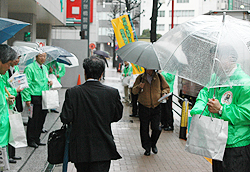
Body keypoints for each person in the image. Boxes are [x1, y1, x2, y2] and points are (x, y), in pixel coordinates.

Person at [190, 44, 250, 171]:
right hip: (216, 143)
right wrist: (199, 112)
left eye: (216, 59)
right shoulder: (215, 79)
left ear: (229, 59)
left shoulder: (245, 83)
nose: (213, 64)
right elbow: (203, 95)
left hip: (236, 146)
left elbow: (247, 114)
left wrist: (221, 109)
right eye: (212, 60)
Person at [60, 55, 123, 172]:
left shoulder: (73, 92)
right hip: (103, 147)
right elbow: (117, 116)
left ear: (85, 72)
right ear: (101, 73)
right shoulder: (112, 93)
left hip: (80, 147)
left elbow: (65, 117)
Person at [132, 69, 170, 156]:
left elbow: (166, 88)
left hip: (156, 106)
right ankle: (147, 147)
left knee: (157, 128)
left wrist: (164, 93)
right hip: (143, 106)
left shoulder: (159, 77)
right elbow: (134, 91)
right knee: (144, 129)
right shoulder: (140, 77)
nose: (149, 69)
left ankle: (153, 143)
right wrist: (139, 87)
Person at [22, 51, 53, 148]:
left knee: (41, 118)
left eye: (44, 56)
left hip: (44, 95)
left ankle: (37, 138)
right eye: (41, 56)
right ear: (36, 57)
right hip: (34, 96)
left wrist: (49, 82)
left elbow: (44, 80)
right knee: (33, 119)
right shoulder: (30, 68)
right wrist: (27, 98)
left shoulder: (45, 68)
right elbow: (27, 84)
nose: (43, 58)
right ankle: (30, 139)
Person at [2, 54, 23, 163]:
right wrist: (15, 91)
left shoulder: (16, 69)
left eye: (19, 58)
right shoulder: (3, 74)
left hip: (14, 100)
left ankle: (12, 154)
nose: (16, 60)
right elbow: (5, 88)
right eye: (15, 58)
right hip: (10, 99)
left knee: (13, 129)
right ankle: (8, 155)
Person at [0, 44, 17, 168]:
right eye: (9, 63)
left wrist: (7, 100)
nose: (9, 67)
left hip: (2, 138)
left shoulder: (0, 80)